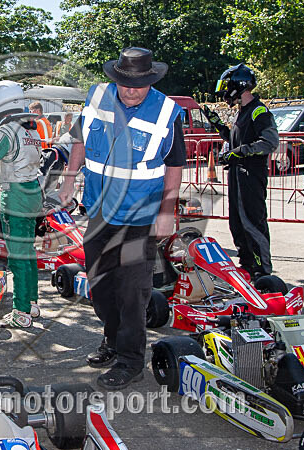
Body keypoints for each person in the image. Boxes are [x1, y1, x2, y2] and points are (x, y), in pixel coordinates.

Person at [59, 47, 186, 390]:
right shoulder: (97, 98)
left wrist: (166, 213)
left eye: (139, 85)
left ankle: (130, 360)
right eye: (125, 83)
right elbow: (79, 139)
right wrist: (69, 179)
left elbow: (174, 165)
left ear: (151, 80)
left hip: (140, 214)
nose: (130, 91)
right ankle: (112, 340)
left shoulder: (166, 113)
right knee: (100, 286)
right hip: (99, 209)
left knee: (132, 290)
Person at [0, 81, 43, 328]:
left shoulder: (6, 132)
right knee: (29, 252)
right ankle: (32, 303)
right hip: (33, 192)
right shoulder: (31, 129)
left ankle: (21, 311)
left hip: (15, 195)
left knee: (18, 255)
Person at [202, 63, 279, 279]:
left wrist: (241, 152)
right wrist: (219, 126)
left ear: (239, 85)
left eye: (228, 85)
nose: (225, 90)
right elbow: (236, 140)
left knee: (253, 223)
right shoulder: (242, 113)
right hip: (237, 175)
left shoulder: (259, 111)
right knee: (237, 223)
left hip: (251, 176)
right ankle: (246, 266)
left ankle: (262, 270)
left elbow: (269, 142)